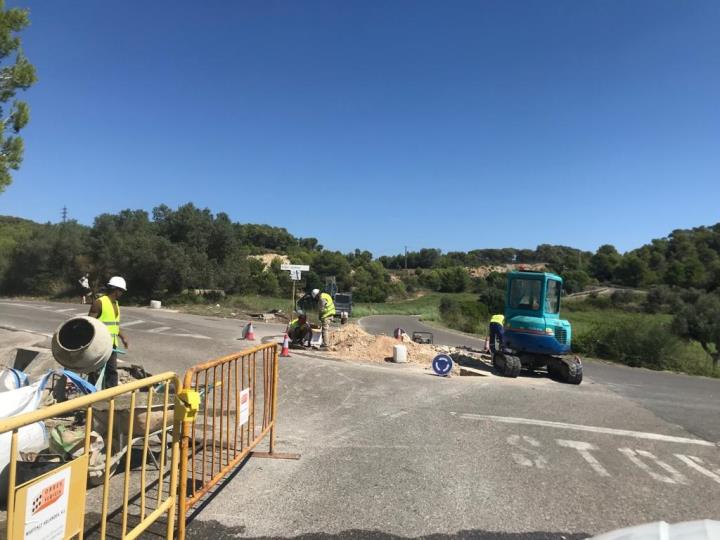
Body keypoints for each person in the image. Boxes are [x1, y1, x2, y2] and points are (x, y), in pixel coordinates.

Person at [87, 276, 129, 388]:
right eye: (121, 291)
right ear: (116, 290)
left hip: (112, 344)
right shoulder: (99, 303)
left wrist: (123, 337)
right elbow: (89, 323)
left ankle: (110, 396)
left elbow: (114, 325)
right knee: (95, 370)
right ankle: (91, 394)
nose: (122, 293)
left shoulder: (116, 304)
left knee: (112, 371)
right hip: (100, 344)